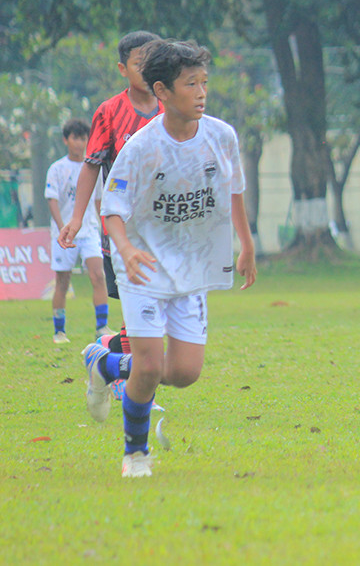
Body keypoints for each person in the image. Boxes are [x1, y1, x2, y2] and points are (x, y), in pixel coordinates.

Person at [80, 39, 257, 477]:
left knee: (183, 373)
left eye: (204, 83)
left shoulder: (221, 135)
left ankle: (103, 362)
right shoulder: (141, 148)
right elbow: (112, 209)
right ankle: (136, 455)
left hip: (192, 265)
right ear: (161, 91)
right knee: (150, 365)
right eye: (190, 84)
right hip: (142, 264)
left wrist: (246, 244)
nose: (201, 92)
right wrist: (124, 249)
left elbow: (233, 190)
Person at [58, 30, 163, 361]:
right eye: (138, 63)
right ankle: (125, 378)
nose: (146, 70)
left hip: (165, 226)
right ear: (123, 69)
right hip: (125, 228)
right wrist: (76, 218)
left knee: (154, 311)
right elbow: (91, 165)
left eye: (153, 62)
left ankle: (106, 355)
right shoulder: (110, 111)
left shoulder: (171, 107)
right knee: (140, 306)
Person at [44, 118, 114, 344]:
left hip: (89, 232)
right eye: (76, 137)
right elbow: (52, 200)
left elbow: (98, 201)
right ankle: (59, 331)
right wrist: (63, 227)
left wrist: (104, 229)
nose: (80, 142)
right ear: (66, 140)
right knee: (63, 281)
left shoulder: (92, 166)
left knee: (98, 275)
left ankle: (101, 327)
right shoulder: (57, 168)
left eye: (84, 138)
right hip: (64, 234)